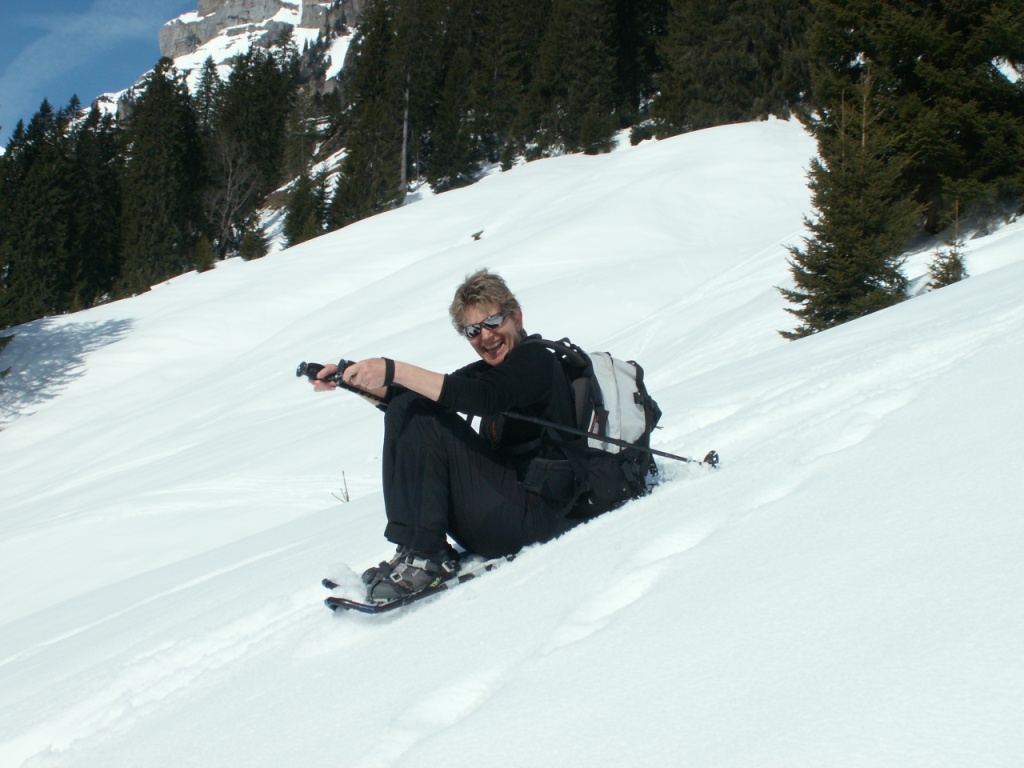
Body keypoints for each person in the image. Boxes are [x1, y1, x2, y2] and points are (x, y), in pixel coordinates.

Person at [311, 269, 584, 603]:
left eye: (493, 321)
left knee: (419, 411)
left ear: (517, 317)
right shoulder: (491, 372)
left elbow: (485, 398)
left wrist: (392, 368)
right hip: (508, 512)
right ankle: (415, 550)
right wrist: (352, 379)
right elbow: (420, 397)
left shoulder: (536, 360)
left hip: (538, 519)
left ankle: (426, 556)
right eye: (473, 330)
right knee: (412, 407)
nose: (486, 336)